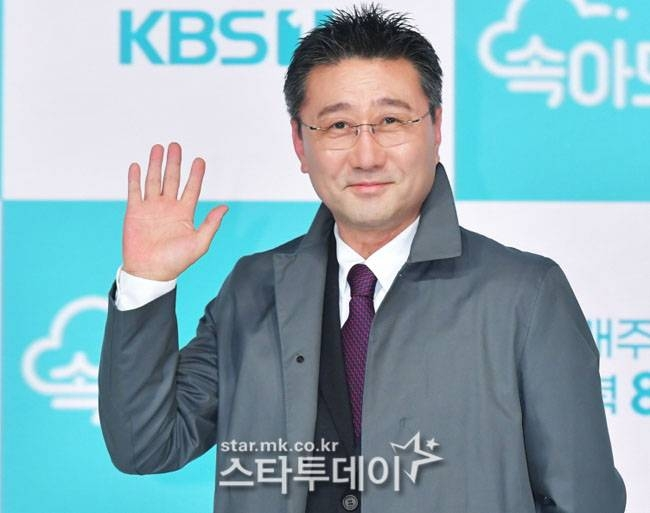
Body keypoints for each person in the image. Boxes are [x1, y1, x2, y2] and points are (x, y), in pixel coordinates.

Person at [98, 5, 626, 513]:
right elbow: (147, 445)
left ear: (436, 129)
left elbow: (583, 499)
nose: (367, 155)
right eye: (338, 126)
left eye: (391, 120)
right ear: (299, 143)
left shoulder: (523, 294)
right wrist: (147, 282)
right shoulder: (254, 289)